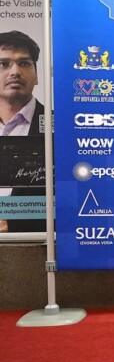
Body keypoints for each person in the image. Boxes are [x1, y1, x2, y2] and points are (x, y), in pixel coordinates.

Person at [0, 30, 45, 234]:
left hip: (37, 247)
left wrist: (14, 223)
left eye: (24, 63)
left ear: (36, 75)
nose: (15, 72)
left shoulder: (63, 129)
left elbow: (74, 198)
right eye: (4, 64)